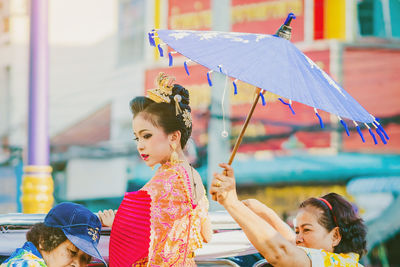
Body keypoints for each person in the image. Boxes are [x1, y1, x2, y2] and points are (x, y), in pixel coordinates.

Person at [101, 73, 212, 266]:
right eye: (137, 138)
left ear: (173, 137)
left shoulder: (167, 180)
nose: (140, 146)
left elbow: (138, 236)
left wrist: (115, 225)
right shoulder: (193, 176)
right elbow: (207, 234)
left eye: (147, 136)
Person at [210, 163, 367, 267]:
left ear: (335, 236)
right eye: (297, 230)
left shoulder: (336, 263)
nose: (298, 238)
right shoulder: (343, 260)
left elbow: (282, 251)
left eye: (307, 230)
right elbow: (290, 240)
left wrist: (232, 203)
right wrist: (263, 211)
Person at [1, 202, 106, 267]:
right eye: (72, 252)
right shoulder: (26, 264)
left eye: (84, 259)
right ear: (44, 240)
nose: (77, 264)